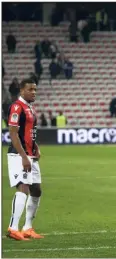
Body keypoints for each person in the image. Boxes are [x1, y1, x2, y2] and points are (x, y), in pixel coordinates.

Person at [6, 78, 44, 241]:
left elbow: (30, 133)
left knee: (36, 190)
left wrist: (36, 148)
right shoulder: (17, 107)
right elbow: (13, 133)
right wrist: (23, 157)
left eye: (35, 89)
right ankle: (13, 228)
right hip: (19, 154)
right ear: (22, 90)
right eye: (30, 89)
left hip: (31, 154)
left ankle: (27, 227)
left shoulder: (30, 108)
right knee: (23, 188)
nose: (34, 92)